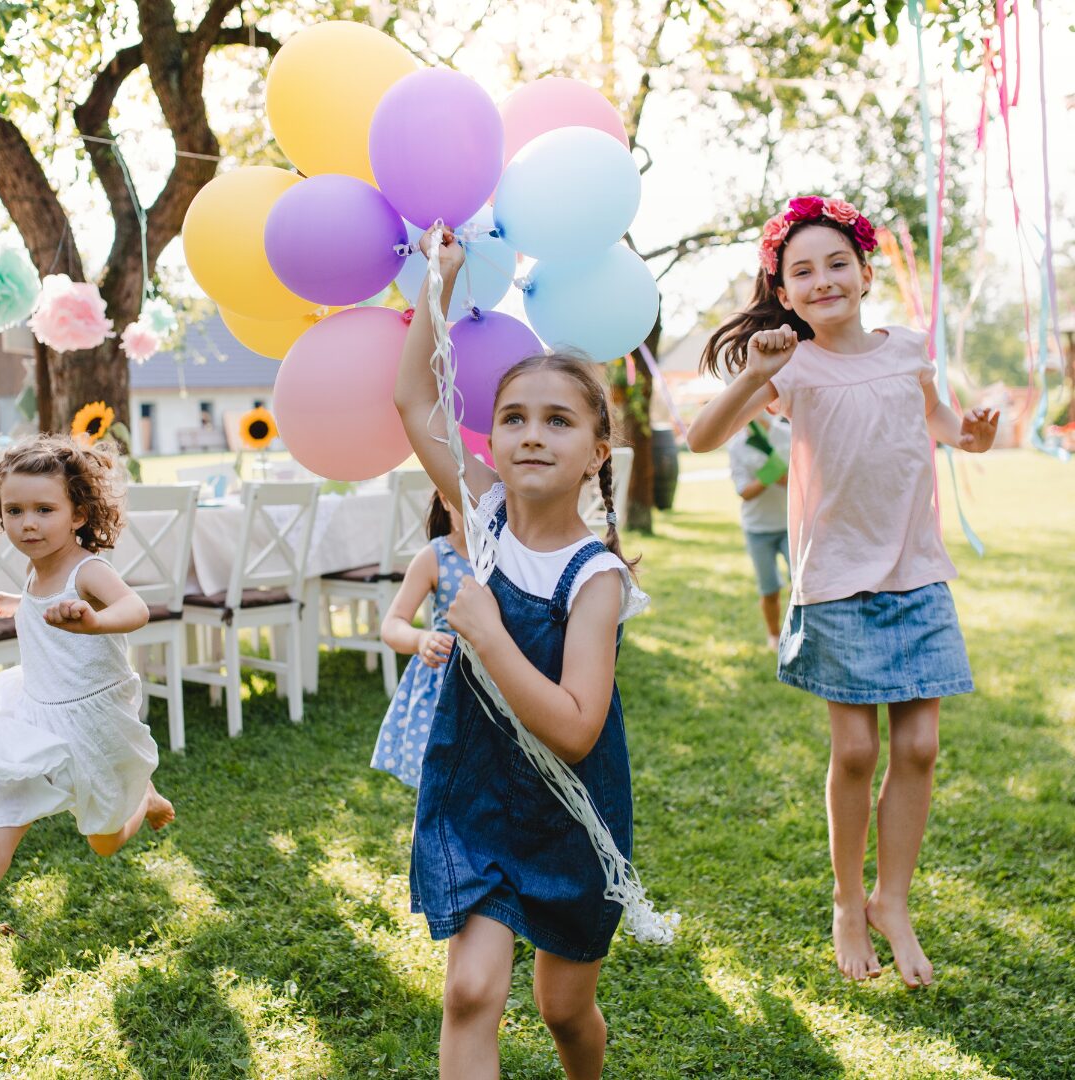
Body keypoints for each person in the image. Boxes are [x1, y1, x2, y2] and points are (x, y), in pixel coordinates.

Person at [687, 196, 998, 989]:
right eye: (802, 272)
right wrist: (756, 372)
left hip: (917, 573)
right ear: (783, 293)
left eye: (836, 264)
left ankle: (893, 902)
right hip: (835, 582)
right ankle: (846, 897)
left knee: (921, 748)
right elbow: (702, 437)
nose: (823, 279)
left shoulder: (910, 352)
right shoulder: (791, 365)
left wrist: (975, 434)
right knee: (855, 751)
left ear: (864, 271)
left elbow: (943, 424)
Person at [393, 226, 648, 1080]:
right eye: (513, 419)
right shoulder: (482, 513)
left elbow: (576, 729)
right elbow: (415, 402)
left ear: (595, 453)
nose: (532, 435)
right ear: (491, 441)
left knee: (563, 1010)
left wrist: (492, 635)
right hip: (475, 791)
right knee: (470, 991)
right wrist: (439, 283)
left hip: (570, 807)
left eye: (558, 421)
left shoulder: (596, 576)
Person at [0, 435, 174, 932]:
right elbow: (41, 603)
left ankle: (143, 798)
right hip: (34, 712)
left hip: (92, 722)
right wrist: (17, 601)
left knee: (104, 840)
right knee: (2, 810)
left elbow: (134, 609)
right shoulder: (34, 570)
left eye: (44, 509)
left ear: (78, 515)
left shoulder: (88, 570)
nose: (28, 523)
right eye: (14, 510)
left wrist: (94, 622)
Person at [371, 490, 473, 788]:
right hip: (447, 685)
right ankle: (427, 831)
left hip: (500, 681)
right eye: (464, 499)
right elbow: (392, 624)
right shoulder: (435, 557)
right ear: (444, 498)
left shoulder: (511, 556)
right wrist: (420, 639)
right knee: (439, 782)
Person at [727, 412, 792, 649]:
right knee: (769, 589)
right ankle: (774, 637)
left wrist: (784, 475)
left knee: (801, 582)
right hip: (758, 529)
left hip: (790, 524)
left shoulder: (788, 434)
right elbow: (744, 491)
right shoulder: (737, 446)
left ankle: (799, 632)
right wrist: (769, 475)